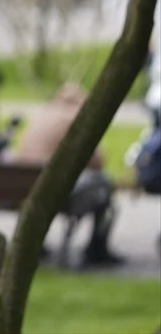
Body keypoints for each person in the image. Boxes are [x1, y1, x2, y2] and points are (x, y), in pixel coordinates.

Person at [8, 83, 124, 267]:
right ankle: (96, 249)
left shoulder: (42, 114)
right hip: (54, 192)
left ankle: (34, 244)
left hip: (21, 187)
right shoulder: (74, 119)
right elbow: (96, 161)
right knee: (105, 186)